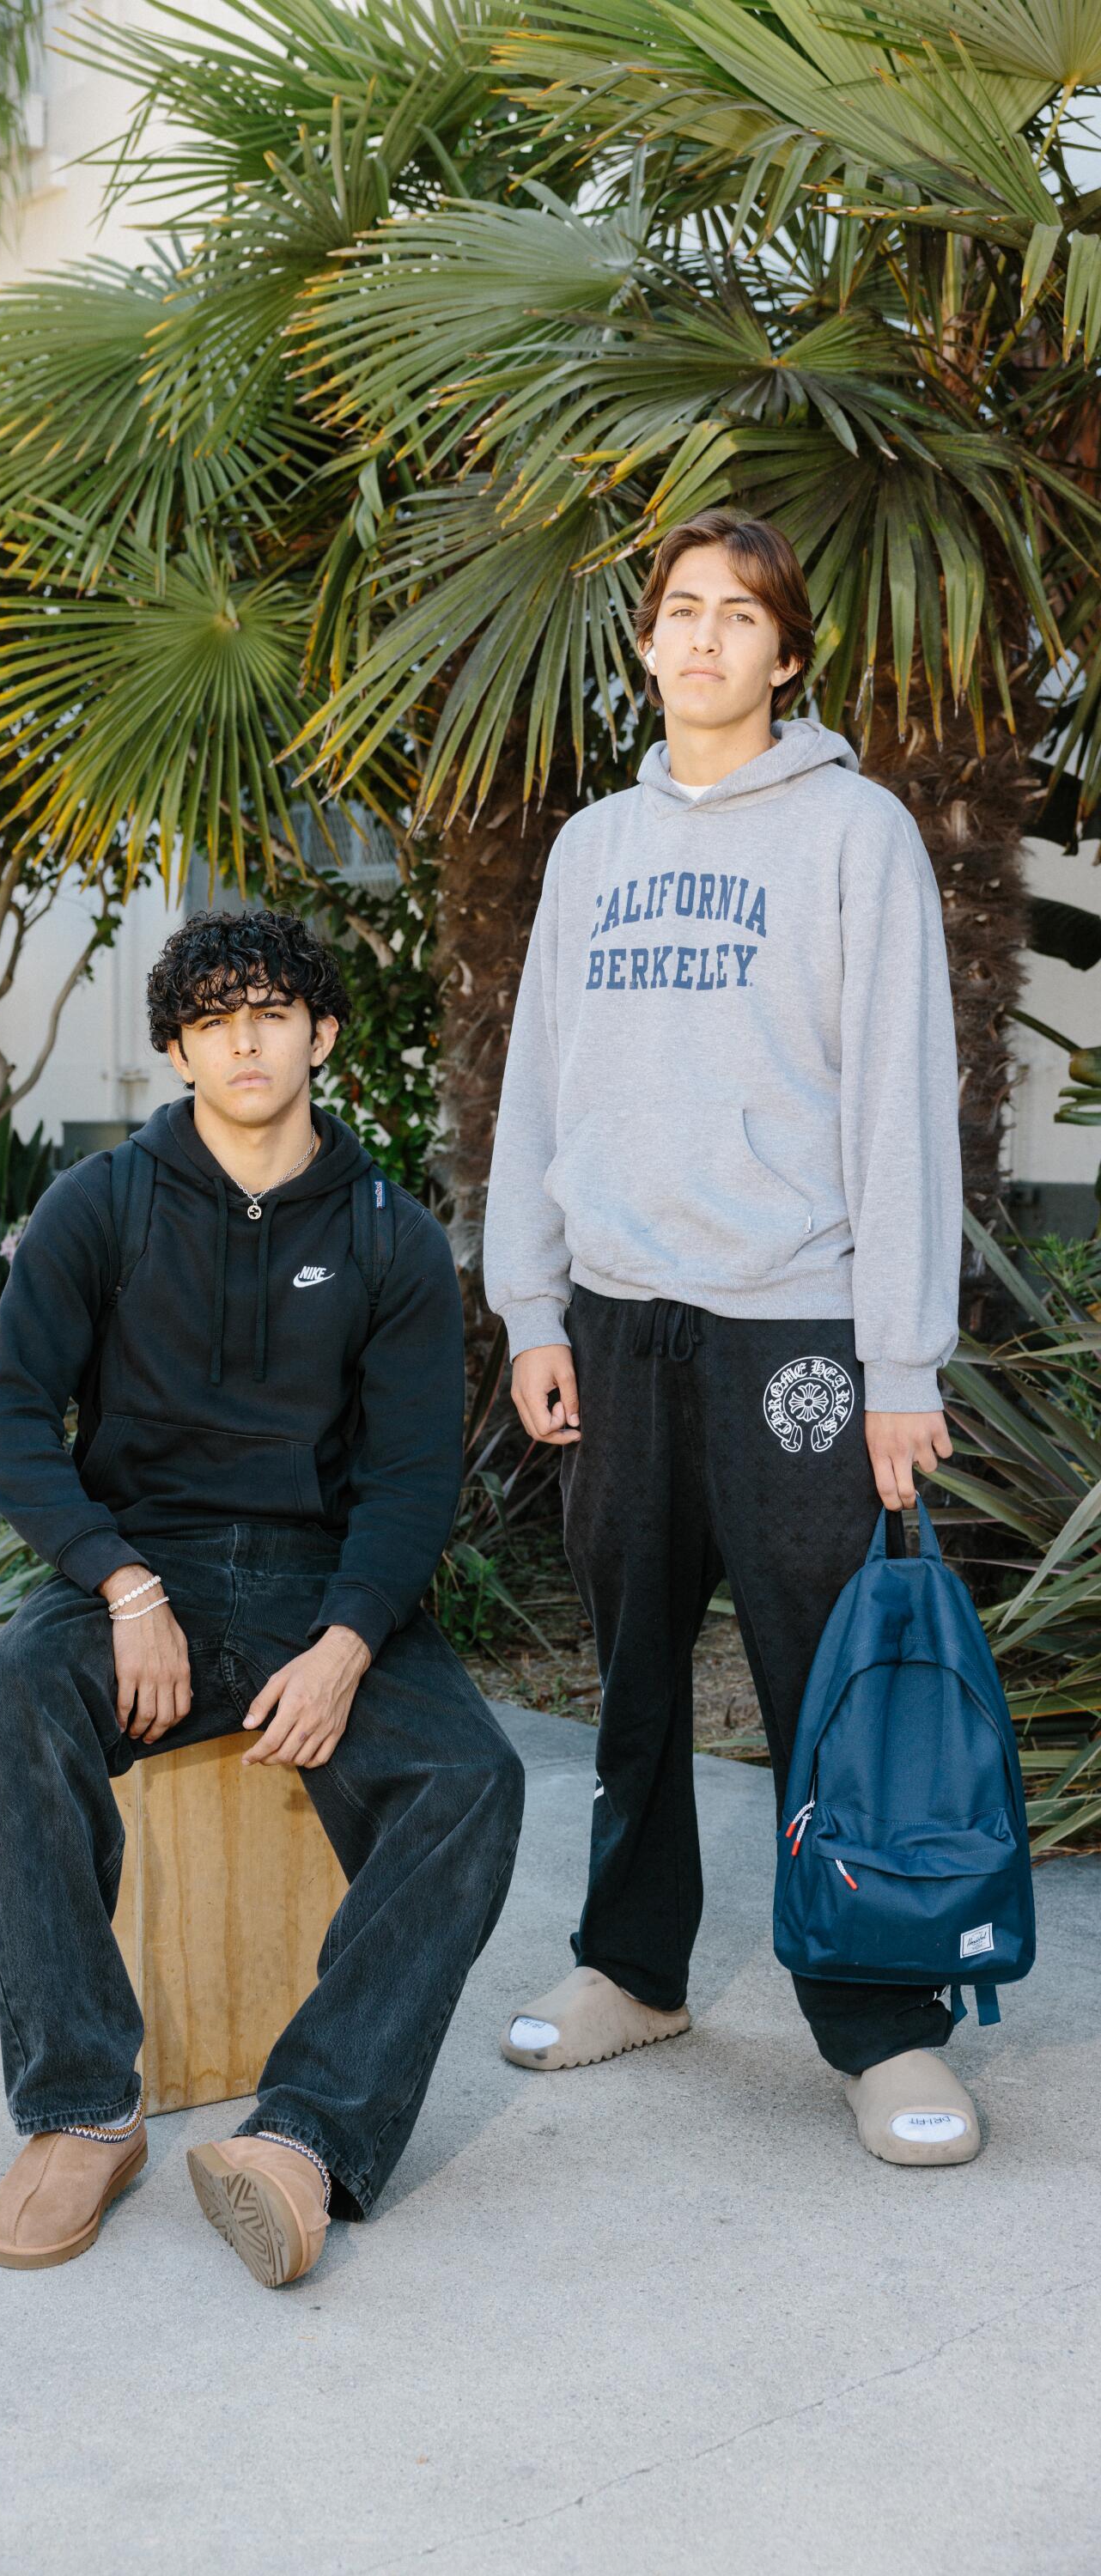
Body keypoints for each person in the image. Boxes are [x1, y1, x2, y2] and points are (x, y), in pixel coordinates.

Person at [484, 509, 977, 2167]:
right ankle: (636, 1965)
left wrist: (901, 1360)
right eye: (677, 611)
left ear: (786, 650)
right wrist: (531, 1304)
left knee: (821, 1682)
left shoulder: (857, 834)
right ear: (646, 642)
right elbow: (538, 1086)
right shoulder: (590, 852)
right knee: (631, 1673)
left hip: (800, 1325)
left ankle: (881, 2022)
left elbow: (909, 1102)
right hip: (620, 1326)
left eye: (737, 615)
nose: (703, 638)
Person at [0, 909, 525, 2286]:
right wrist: (120, 1578)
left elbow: (405, 1484)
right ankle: (84, 2108)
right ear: (178, 1049)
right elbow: (9, 1421)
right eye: (214, 1020)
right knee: (18, 1692)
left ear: (321, 1033)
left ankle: (306, 2135)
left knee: (474, 1776)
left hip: (319, 1584)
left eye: (271, 1012)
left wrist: (344, 1644)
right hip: (142, 1573)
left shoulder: (390, 1236)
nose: (246, 1040)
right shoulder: (103, 1206)